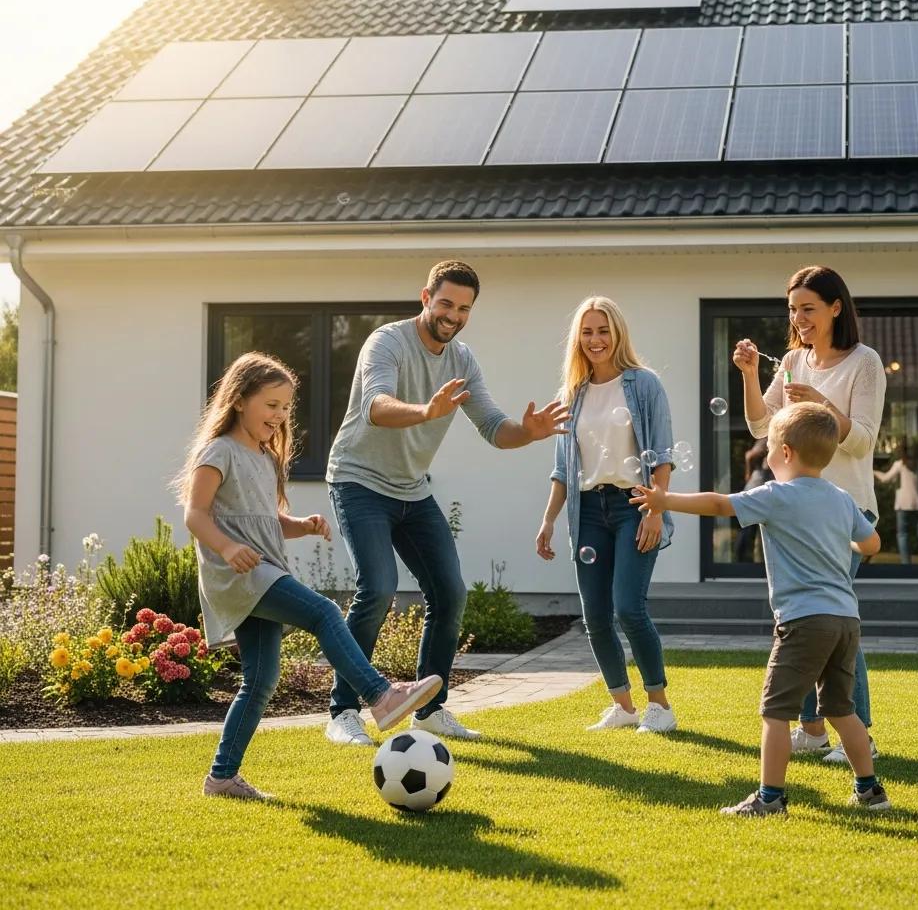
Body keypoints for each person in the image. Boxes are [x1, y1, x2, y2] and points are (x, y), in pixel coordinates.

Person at [179, 352, 442, 801]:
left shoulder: (263, 456)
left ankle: (221, 778)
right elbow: (195, 514)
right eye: (271, 405)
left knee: (259, 682)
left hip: (262, 569)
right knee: (323, 612)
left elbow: (263, 518)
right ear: (239, 400)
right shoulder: (219, 451)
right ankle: (381, 696)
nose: (280, 415)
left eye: (285, 407)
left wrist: (299, 525)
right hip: (239, 573)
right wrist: (227, 547)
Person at [326, 260, 568, 745]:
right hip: (358, 481)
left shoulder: (462, 361)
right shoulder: (387, 342)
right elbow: (375, 406)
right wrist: (426, 410)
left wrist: (530, 433)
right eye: (445, 304)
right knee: (378, 588)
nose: (453, 316)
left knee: (450, 593)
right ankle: (343, 711)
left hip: (412, 489)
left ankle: (430, 711)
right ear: (425, 298)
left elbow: (494, 428)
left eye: (463, 309)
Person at [632, 403, 892, 816]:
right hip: (845, 619)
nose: (767, 454)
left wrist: (665, 499)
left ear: (785, 452)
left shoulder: (776, 496)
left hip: (803, 621)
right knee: (842, 710)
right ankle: (870, 791)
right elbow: (872, 543)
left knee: (775, 711)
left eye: (769, 447)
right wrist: (837, 540)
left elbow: (720, 504)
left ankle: (769, 798)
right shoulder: (841, 499)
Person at [733, 265, 885, 766]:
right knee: (801, 617)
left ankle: (857, 735)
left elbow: (862, 439)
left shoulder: (865, 362)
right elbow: (761, 426)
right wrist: (750, 374)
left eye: (809, 308)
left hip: (845, 509)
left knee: (829, 616)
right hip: (796, 511)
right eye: (793, 309)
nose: (799, 318)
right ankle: (814, 730)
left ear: (835, 308)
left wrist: (822, 403)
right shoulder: (793, 360)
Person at [536, 296, 677, 733]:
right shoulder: (571, 395)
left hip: (635, 504)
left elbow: (662, 455)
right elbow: (563, 468)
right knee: (595, 616)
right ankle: (623, 706)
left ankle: (660, 706)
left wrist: (655, 509)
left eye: (603, 331)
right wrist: (548, 519)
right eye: (587, 332)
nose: (595, 340)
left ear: (617, 334)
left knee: (628, 608)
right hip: (588, 511)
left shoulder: (644, 384)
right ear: (577, 338)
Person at [875, 443, 918, 564]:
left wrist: (873, 472)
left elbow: (885, 479)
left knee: (903, 535)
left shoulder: (899, 465)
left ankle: (906, 564)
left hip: (903, 506)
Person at [734, 438, 772, 563]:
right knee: (748, 528)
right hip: (758, 487)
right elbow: (750, 456)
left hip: (758, 487)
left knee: (753, 529)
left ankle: (752, 560)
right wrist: (748, 473)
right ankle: (740, 560)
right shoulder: (767, 439)